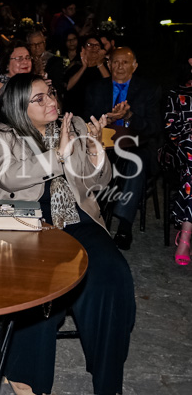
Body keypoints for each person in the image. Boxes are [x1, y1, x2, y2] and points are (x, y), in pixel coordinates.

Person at [0, 73, 135, 395]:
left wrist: (94, 151)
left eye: (50, 93)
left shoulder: (73, 124)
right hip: (24, 221)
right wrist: (58, 155)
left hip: (74, 218)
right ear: (19, 106)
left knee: (112, 273)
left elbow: (96, 182)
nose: (51, 101)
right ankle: (23, 370)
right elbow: (7, 176)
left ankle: (107, 374)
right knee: (44, 280)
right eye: (39, 98)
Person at [83, 47, 161, 250]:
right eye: (115, 62)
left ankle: (124, 227)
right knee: (88, 158)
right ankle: (92, 217)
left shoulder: (148, 90)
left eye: (125, 63)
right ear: (108, 65)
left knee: (136, 162)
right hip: (103, 146)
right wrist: (108, 119)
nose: (119, 67)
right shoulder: (95, 88)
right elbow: (85, 121)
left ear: (134, 66)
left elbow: (154, 127)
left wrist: (129, 117)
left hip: (137, 145)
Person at [162, 49, 192, 265]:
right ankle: (186, 235)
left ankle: (185, 232)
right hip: (181, 147)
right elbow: (171, 130)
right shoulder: (177, 93)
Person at [64, 36, 109, 113]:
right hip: (74, 112)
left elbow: (109, 85)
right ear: (83, 49)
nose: (93, 48)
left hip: (96, 111)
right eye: (89, 45)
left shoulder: (106, 66)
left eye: (96, 45)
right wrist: (84, 67)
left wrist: (99, 62)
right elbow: (68, 86)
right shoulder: (76, 66)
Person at [0, 41, 33, 106]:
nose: (25, 62)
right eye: (19, 59)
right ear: (7, 64)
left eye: (28, 58)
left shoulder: (34, 80)